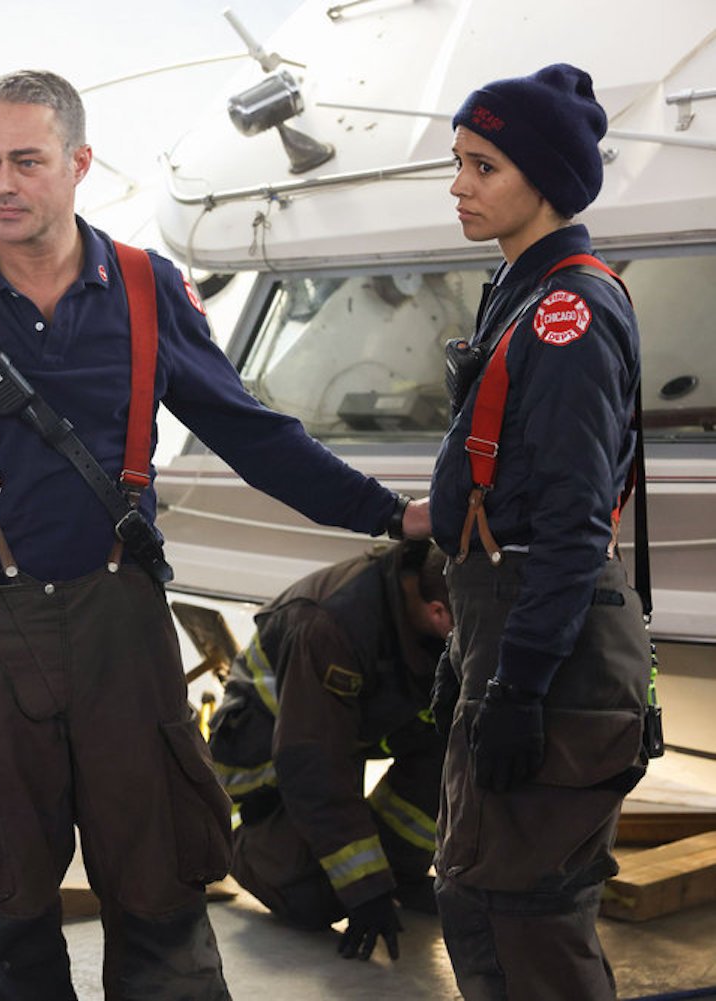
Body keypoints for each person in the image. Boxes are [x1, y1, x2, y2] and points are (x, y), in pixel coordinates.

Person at [0, 68, 430, 1001]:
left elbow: (251, 431)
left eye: (28, 161)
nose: (4, 183)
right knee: (5, 900)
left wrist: (387, 512)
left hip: (121, 625)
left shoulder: (146, 288)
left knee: (160, 879)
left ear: (79, 164)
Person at [429, 64, 653, 1001]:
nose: (460, 185)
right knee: (480, 899)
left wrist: (517, 683)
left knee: (529, 924)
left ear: (545, 179)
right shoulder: (522, 293)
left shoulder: (565, 314)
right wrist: (472, 661)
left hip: (546, 642)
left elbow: (567, 523)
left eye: (483, 166)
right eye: (457, 163)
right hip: (511, 624)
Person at [208, 540, 452, 963]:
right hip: (263, 777)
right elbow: (313, 763)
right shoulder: (332, 624)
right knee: (314, 902)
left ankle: (404, 872)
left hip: (339, 735)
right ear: (438, 613)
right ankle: (244, 848)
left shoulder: (427, 607)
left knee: (451, 737)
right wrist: (367, 887)